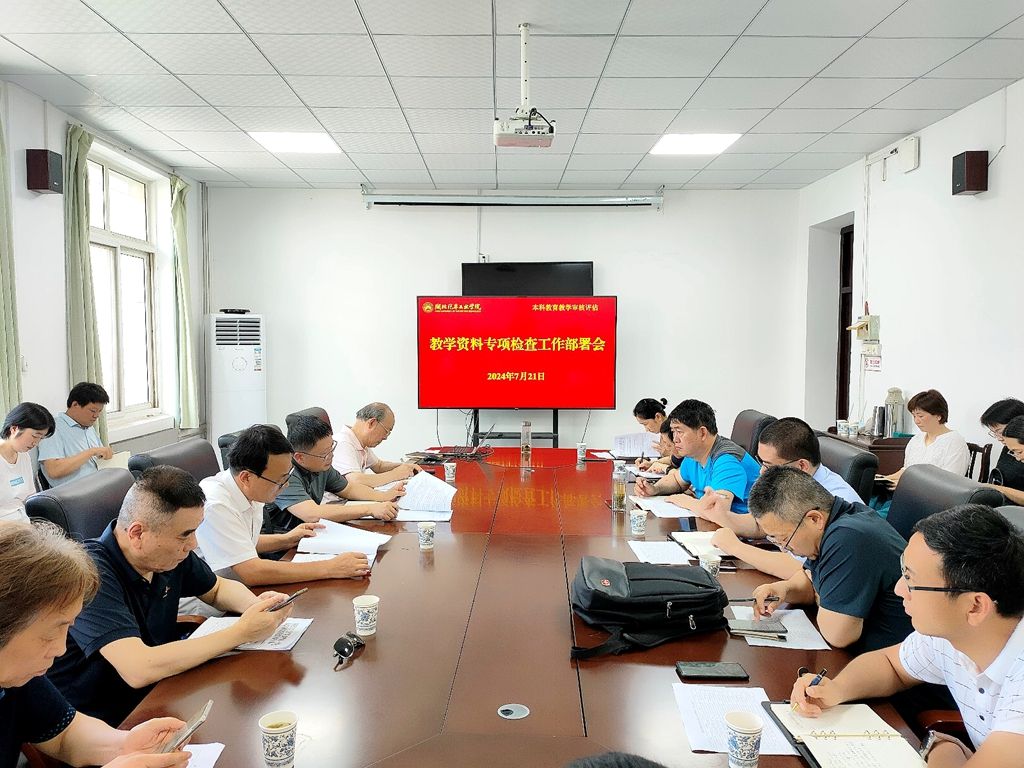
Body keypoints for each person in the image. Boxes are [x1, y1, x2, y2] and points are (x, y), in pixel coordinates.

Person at [48, 466, 292, 726]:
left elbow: (216, 589)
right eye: (185, 534)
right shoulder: (88, 573)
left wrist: (257, 607)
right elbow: (138, 668)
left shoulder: (167, 554)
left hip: (163, 690)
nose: (193, 544)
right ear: (137, 533)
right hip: (109, 720)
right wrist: (242, 632)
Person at [790, 505, 1024, 767]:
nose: (900, 589)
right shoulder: (954, 633)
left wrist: (942, 747)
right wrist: (836, 689)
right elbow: (891, 665)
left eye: (912, 580)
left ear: (975, 606)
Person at [0, 522, 191, 768]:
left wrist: (123, 744)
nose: (60, 649)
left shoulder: (18, 677)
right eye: (48, 635)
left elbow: (65, 736)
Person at [749, 466, 913, 652]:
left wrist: (821, 594)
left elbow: (838, 635)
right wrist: (784, 589)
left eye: (784, 539)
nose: (784, 548)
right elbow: (809, 580)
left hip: (894, 660)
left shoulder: (848, 537)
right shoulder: (833, 524)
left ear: (814, 519)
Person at [196, 424, 372, 586]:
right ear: (246, 477)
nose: (285, 485)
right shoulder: (217, 504)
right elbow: (252, 572)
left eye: (287, 476)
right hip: (214, 601)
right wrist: (331, 567)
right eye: (280, 480)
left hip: (241, 588)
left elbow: (243, 542)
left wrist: (287, 539)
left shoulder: (248, 489)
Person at [711, 417, 863, 578]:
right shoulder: (794, 485)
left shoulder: (832, 500)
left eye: (769, 465)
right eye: (761, 463)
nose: (762, 472)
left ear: (802, 466)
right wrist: (723, 516)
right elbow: (762, 526)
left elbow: (801, 569)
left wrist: (735, 547)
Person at [635, 399, 761, 536]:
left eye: (679, 432)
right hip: (713, 527)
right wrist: (655, 489)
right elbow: (677, 480)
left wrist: (685, 501)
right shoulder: (694, 454)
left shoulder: (727, 460)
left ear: (702, 433)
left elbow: (715, 511)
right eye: (673, 432)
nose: (675, 439)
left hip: (744, 536)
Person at [264, 416, 403, 533]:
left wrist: (383, 496)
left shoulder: (321, 466)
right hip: (284, 542)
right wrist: (369, 509)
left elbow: (349, 489)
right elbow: (312, 514)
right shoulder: (285, 473)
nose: (331, 456)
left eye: (332, 447)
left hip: (311, 533)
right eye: (325, 453)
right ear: (300, 457)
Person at [882, 389, 969, 487]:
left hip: (936, 493)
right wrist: (884, 479)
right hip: (910, 490)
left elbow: (951, 481)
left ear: (938, 416)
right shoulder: (916, 440)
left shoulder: (954, 442)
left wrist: (905, 485)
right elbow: (906, 470)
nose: (916, 421)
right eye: (914, 416)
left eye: (920, 416)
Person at [38, 382, 114, 488]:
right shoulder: (53, 428)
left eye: (99, 411)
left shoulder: (88, 427)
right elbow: (53, 470)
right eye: (92, 411)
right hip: (75, 492)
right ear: (75, 405)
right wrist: (91, 452)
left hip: (99, 485)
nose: (96, 416)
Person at [332, 403, 420, 488]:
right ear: (372, 423)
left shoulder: (360, 442)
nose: (385, 438)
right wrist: (395, 474)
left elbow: (379, 466)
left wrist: (404, 467)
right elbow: (355, 481)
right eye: (386, 431)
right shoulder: (343, 442)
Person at [0, 402, 55, 523]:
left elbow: (28, 497)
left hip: (23, 524)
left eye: (41, 438)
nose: (36, 443)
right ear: (14, 429)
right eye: (35, 436)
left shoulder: (24, 456)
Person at [981, 399, 1024, 505]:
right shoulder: (1009, 446)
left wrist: (997, 489)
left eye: (999, 432)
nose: (999, 438)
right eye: (994, 433)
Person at [633, 397, 670, 470]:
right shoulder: (662, 432)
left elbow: (683, 460)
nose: (646, 430)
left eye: (645, 424)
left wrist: (669, 455)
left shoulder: (674, 432)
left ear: (658, 416)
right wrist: (648, 462)